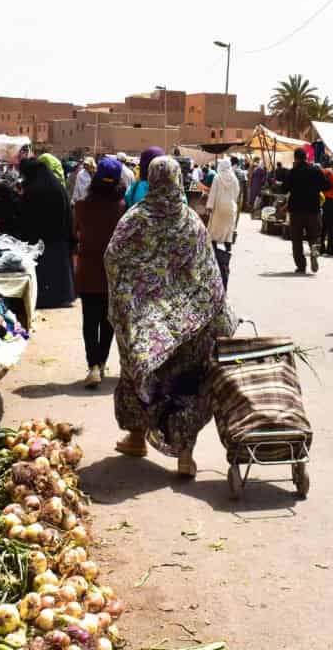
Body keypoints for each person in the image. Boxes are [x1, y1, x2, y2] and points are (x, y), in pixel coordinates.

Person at [106, 156, 233, 476]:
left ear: (151, 179)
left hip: (146, 324)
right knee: (187, 385)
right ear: (178, 180)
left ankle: (137, 437)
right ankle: (185, 456)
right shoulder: (190, 221)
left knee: (138, 375)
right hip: (190, 325)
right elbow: (209, 273)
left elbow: (113, 259)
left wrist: (131, 304)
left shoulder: (134, 220)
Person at [74, 157, 126, 387]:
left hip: (88, 269)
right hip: (112, 272)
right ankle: (102, 363)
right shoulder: (122, 208)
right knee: (108, 320)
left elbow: (74, 232)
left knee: (89, 319)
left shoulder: (83, 205)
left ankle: (93, 364)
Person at [17, 157, 76, 308]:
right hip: (59, 237)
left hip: (41, 239)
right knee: (59, 269)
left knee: (44, 271)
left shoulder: (34, 189)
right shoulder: (57, 186)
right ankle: (62, 297)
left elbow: (26, 216)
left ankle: (45, 298)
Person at [283, 149, 326, 274]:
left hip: (296, 211)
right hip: (313, 210)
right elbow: (326, 186)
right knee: (314, 236)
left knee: (296, 240)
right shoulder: (315, 171)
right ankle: (313, 250)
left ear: (295, 158)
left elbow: (284, 188)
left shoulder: (292, 172)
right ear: (306, 157)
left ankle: (301, 266)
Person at [207, 156, 241, 288]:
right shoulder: (234, 178)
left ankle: (215, 251)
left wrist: (210, 206)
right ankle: (228, 248)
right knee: (228, 230)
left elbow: (213, 193)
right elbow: (237, 192)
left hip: (219, 207)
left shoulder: (217, 177)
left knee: (215, 229)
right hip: (230, 207)